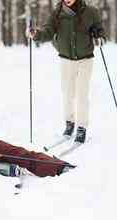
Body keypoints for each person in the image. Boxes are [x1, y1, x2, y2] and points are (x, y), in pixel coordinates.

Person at [27, 0, 105, 143]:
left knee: (82, 94)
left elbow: (100, 30)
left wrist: (99, 37)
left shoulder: (91, 12)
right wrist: (36, 34)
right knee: (68, 93)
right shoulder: (57, 13)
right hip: (65, 60)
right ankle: (69, 123)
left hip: (85, 60)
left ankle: (82, 127)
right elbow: (48, 32)